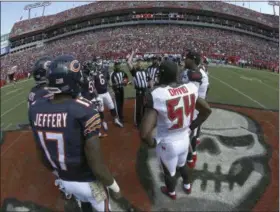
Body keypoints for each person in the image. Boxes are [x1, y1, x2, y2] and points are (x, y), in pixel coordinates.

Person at [28, 55, 122, 212]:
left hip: (64, 179)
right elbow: (96, 163)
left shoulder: (35, 107)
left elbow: (41, 153)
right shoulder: (84, 109)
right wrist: (114, 186)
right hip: (87, 180)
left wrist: (57, 173)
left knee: (84, 204)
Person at [140, 60, 212, 200]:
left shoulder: (157, 94)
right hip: (184, 138)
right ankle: (187, 186)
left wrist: (151, 143)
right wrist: (191, 127)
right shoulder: (190, 88)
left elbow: (144, 133)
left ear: (161, 74)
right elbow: (207, 111)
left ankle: (171, 192)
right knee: (183, 164)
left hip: (168, 142)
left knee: (169, 172)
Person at [181, 50, 210, 168]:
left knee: (189, 133)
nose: (184, 59)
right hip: (194, 105)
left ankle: (189, 157)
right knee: (192, 133)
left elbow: (191, 92)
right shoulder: (196, 72)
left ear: (192, 60)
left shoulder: (198, 74)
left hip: (193, 106)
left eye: (186, 58)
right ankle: (192, 154)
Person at [92, 57, 123, 128]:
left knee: (112, 107)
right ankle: (103, 122)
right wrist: (95, 94)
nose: (99, 64)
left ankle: (116, 119)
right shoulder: (94, 72)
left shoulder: (105, 70)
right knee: (101, 109)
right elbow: (93, 84)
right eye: (98, 61)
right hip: (99, 94)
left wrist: (111, 90)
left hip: (106, 92)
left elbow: (108, 81)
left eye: (100, 60)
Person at [80, 61, 108, 138]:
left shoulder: (89, 76)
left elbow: (93, 87)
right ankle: (96, 132)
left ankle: (103, 122)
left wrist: (96, 96)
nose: (91, 69)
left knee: (100, 110)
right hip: (88, 98)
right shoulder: (84, 77)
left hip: (92, 96)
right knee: (92, 115)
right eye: (90, 67)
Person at [127, 49, 150, 128]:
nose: (139, 63)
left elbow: (149, 81)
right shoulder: (134, 71)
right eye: (138, 61)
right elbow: (128, 62)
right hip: (139, 92)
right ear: (136, 63)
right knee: (138, 107)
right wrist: (132, 53)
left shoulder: (145, 71)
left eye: (141, 61)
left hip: (145, 91)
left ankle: (143, 121)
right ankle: (138, 122)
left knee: (145, 107)